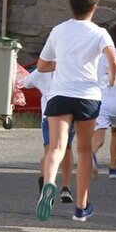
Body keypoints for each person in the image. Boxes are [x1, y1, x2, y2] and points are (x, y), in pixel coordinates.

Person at [35, 0, 116, 223]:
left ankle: (49, 184)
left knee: (57, 147)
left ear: (71, 6)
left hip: (60, 94)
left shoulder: (58, 30)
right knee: (83, 151)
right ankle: (81, 208)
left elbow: (41, 65)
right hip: (87, 96)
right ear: (94, 7)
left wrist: (61, 66)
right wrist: (112, 79)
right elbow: (113, 60)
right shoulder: (100, 33)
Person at [24, 66, 76, 204]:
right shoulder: (69, 64)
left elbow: (26, 82)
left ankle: (46, 185)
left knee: (50, 151)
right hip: (68, 112)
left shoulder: (43, 68)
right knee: (67, 148)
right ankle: (66, 187)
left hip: (48, 114)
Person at [92, 22, 116, 180]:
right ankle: (114, 168)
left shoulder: (100, 54)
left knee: (99, 134)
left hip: (101, 98)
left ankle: (92, 154)